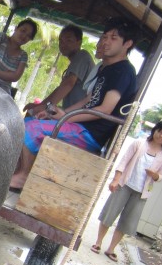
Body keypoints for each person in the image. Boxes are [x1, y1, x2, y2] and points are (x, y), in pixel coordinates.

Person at [8, 16, 139, 190]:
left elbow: (106, 109)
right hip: (81, 126)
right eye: (105, 37)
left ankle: (23, 177)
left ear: (127, 44)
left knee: (32, 128)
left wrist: (66, 118)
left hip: (90, 134)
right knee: (30, 121)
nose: (106, 42)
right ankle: (21, 170)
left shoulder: (123, 71)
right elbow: (87, 100)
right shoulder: (106, 68)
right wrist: (58, 114)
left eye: (113, 38)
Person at [92, 120, 162, 262]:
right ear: (154, 130)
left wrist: (155, 175)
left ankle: (111, 248)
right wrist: (115, 180)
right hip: (125, 184)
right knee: (109, 213)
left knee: (127, 222)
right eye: (160, 132)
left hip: (141, 193)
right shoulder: (139, 143)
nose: (161, 136)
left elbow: (161, 176)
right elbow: (124, 161)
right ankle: (98, 242)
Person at [24, 24, 94, 114]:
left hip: (77, 116)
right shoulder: (74, 63)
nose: (63, 44)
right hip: (71, 113)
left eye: (69, 40)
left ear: (79, 43)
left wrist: (45, 107)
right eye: (61, 40)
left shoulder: (82, 56)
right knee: (33, 112)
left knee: (33, 115)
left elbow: (68, 84)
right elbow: (61, 88)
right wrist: (41, 105)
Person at [0, 19, 38, 96]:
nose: (24, 36)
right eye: (23, 30)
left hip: (1, 92)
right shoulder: (1, 37)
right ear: (16, 28)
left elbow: (15, 76)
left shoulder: (23, 56)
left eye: (29, 36)